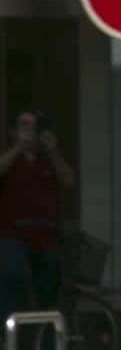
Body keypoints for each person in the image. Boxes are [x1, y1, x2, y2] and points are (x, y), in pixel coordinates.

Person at [0, 109, 76, 325]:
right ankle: (13, 337)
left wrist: (53, 151)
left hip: (44, 235)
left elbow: (69, 180)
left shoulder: (48, 160)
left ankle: (44, 348)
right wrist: (18, 148)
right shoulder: (11, 159)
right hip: (12, 234)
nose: (30, 132)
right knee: (12, 278)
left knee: (48, 289)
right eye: (25, 125)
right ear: (13, 132)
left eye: (35, 127)